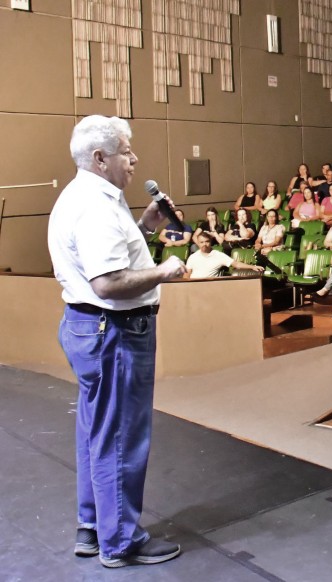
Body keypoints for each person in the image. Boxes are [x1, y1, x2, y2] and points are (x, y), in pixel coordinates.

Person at [48, 115, 186, 567]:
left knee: (98, 430)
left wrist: (144, 225)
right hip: (116, 334)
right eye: (126, 152)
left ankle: (92, 527)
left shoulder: (82, 196)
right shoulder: (97, 207)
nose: (134, 159)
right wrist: (165, 270)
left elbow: (110, 256)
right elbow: (107, 282)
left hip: (88, 327)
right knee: (122, 436)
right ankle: (120, 540)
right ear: (100, 158)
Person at [186, 232, 263, 278]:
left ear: (210, 242)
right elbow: (187, 274)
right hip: (193, 286)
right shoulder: (193, 257)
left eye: (207, 241)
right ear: (198, 243)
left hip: (210, 288)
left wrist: (253, 267)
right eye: (201, 242)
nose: (204, 244)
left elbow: (236, 264)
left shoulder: (218, 255)